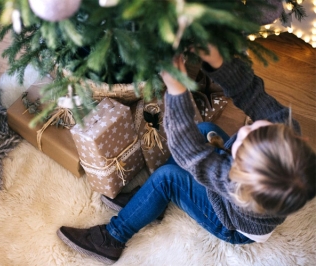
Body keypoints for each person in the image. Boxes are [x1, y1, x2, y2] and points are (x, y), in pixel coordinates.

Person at [56, 45, 316, 264]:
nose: (245, 131)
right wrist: (217, 61)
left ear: (236, 171)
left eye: (239, 148)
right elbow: (249, 91)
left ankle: (112, 238)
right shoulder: (284, 126)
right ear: (294, 138)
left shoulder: (235, 183)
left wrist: (177, 91)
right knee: (205, 129)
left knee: (167, 177)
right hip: (253, 195)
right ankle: (149, 202)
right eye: (258, 129)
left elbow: (187, 150)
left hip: (233, 225)